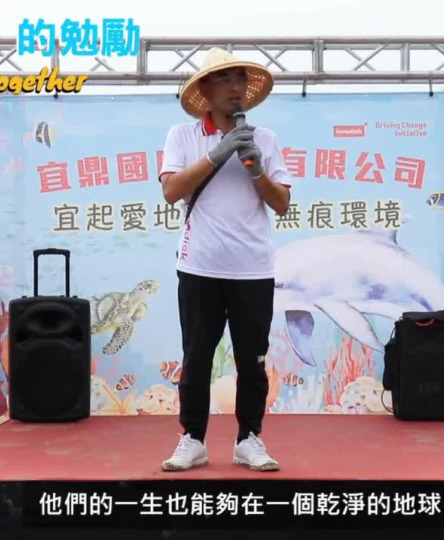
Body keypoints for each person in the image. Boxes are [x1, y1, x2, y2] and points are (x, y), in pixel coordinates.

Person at [156, 48, 292, 471]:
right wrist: (218, 153)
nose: (236, 88)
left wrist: (255, 169)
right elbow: (171, 190)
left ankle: (249, 439)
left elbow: (281, 203)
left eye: (240, 80)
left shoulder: (265, 139)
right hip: (199, 266)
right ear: (205, 89)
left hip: (253, 269)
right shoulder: (183, 135)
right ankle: (192, 439)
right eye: (225, 79)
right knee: (196, 358)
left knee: (252, 361)